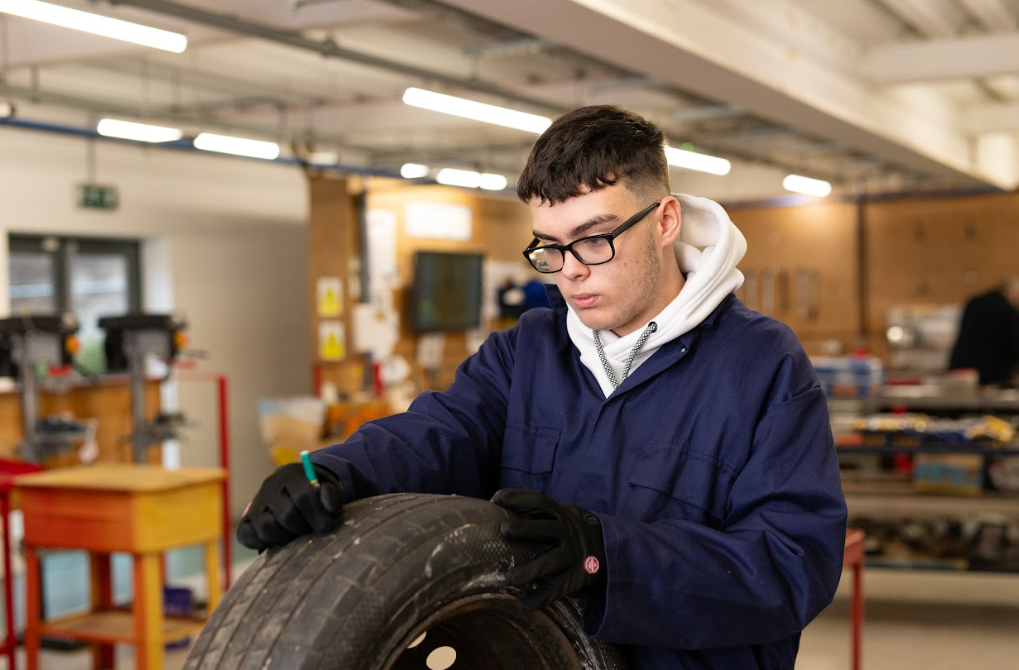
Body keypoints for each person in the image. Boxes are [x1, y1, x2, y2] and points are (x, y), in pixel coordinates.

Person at [239, 105, 848, 669]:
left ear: (665, 221)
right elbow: (438, 435)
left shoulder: (760, 365)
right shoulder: (528, 350)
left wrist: (608, 554)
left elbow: (793, 565)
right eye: (551, 248)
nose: (571, 271)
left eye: (594, 239)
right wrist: (333, 471)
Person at [948, 277, 1019, 387]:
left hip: (962, 368)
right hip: (993, 372)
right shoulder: (1008, 311)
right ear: (1011, 293)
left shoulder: (974, 302)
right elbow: (1014, 345)